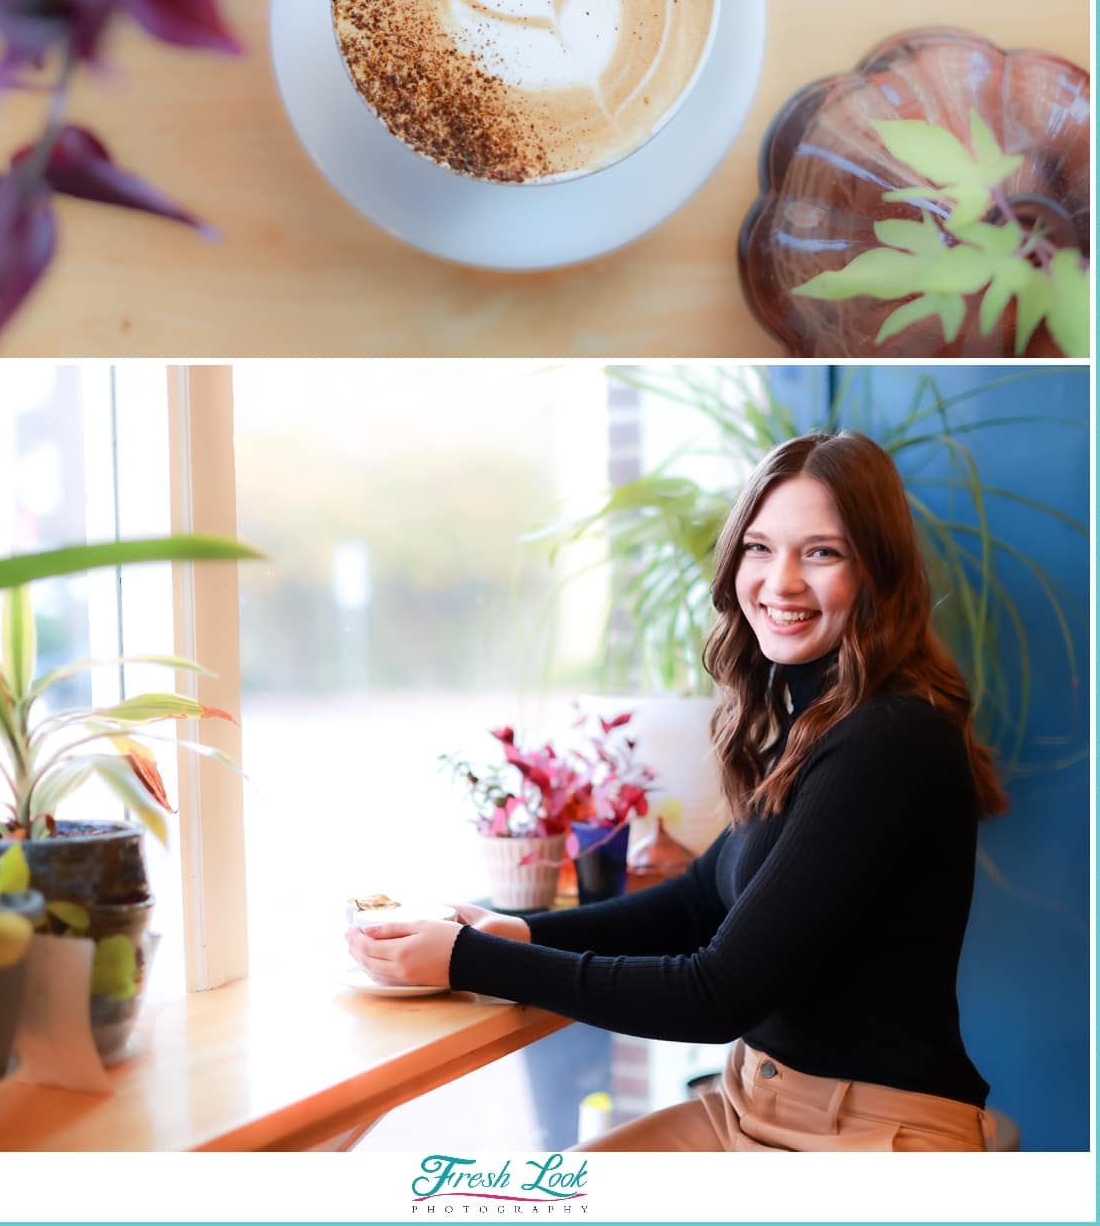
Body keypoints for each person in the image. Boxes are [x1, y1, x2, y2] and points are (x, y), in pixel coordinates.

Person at [346, 432, 1007, 1152]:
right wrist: (524, 929)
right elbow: (698, 899)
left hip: (870, 1136)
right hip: (750, 1104)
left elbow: (718, 992)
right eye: (759, 547)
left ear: (878, 570)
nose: (780, 581)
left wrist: (466, 959)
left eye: (822, 551)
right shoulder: (815, 718)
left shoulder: (890, 736)